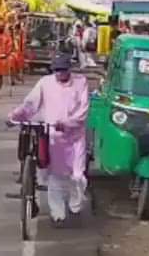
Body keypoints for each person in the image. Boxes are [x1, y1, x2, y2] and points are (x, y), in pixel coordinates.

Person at [7, 55, 91, 223]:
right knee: (55, 176)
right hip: (53, 137)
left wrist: (67, 123)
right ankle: (58, 213)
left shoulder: (81, 83)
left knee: (77, 176)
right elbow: (30, 104)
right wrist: (14, 116)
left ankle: (75, 203)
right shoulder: (45, 83)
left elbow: (83, 111)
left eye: (63, 70)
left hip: (75, 138)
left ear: (69, 69)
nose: (60, 73)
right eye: (56, 70)